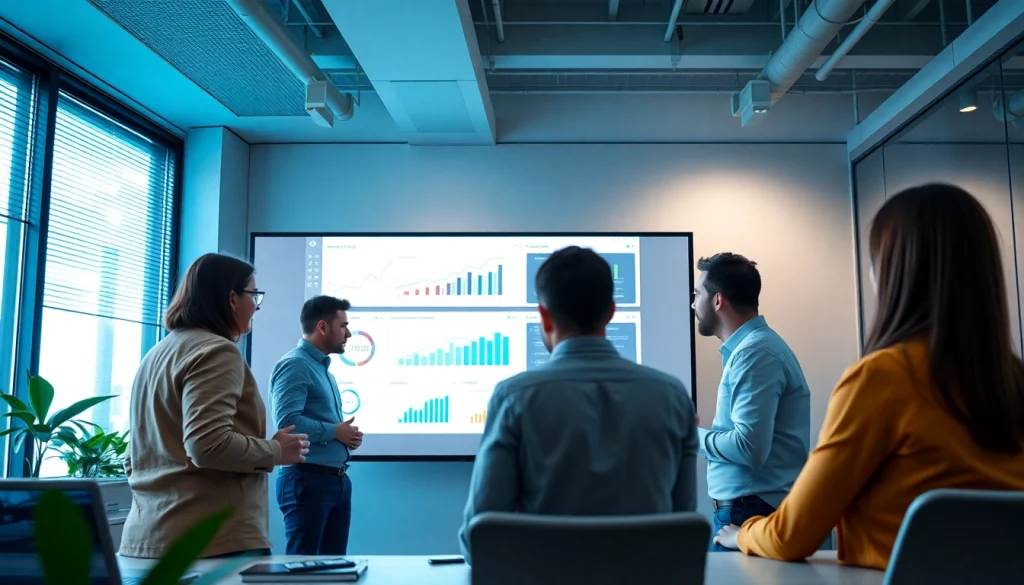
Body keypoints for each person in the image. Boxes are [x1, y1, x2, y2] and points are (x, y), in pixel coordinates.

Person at [713, 184, 1024, 569]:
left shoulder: (881, 379)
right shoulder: (1014, 378)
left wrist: (742, 532)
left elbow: (793, 536)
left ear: (894, 272)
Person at [457, 246, 698, 564]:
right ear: (611, 311)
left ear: (543, 316)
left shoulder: (513, 398)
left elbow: (480, 542)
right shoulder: (673, 396)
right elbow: (681, 533)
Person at [120, 253, 309, 559]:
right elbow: (207, 444)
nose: (256, 306)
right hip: (211, 541)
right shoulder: (217, 351)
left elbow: (134, 456)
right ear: (232, 299)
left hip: (146, 539)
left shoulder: (157, 353)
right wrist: (276, 452)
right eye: (253, 295)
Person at [691, 252, 811, 551]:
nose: (693, 304)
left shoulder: (754, 354)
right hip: (748, 509)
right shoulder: (753, 349)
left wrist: (691, 437)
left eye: (697, 295)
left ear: (717, 301)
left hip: (750, 512)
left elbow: (749, 447)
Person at [270, 295, 364, 556]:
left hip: (336, 481)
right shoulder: (295, 365)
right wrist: (335, 431)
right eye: (343, 326)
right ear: (323, 327)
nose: (349, 333)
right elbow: (288, 423)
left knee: (332, 572)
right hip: (307, 481)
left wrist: (345, 435)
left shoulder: (322, 369)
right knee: (303, 573)